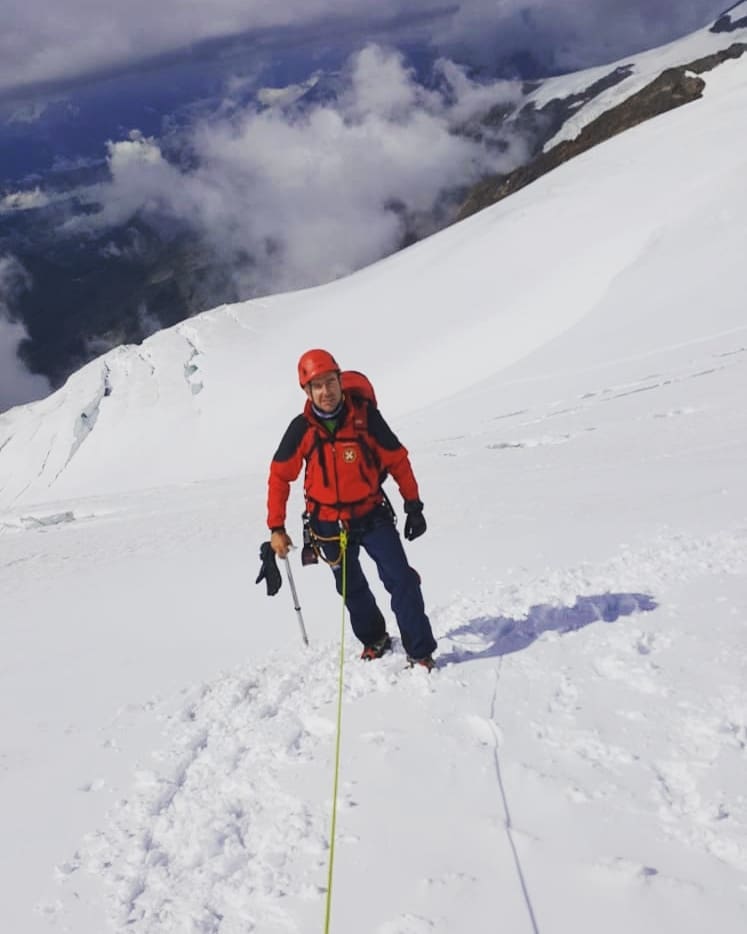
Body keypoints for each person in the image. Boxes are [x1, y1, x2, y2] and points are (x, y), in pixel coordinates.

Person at [265, 348, 437, 669]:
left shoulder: (365, 418)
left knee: (401, 579)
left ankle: (420, 651)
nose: (326, 391)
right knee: (350, 587)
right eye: (317, 385)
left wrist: (413, 505)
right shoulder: (302, 428)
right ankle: (374, 638)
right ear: (307, 391)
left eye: (330, 382)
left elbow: (397, 460)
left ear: (340, 381)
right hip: (327, 523)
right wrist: (276, 527)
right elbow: (280, 476)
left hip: (371, 514)